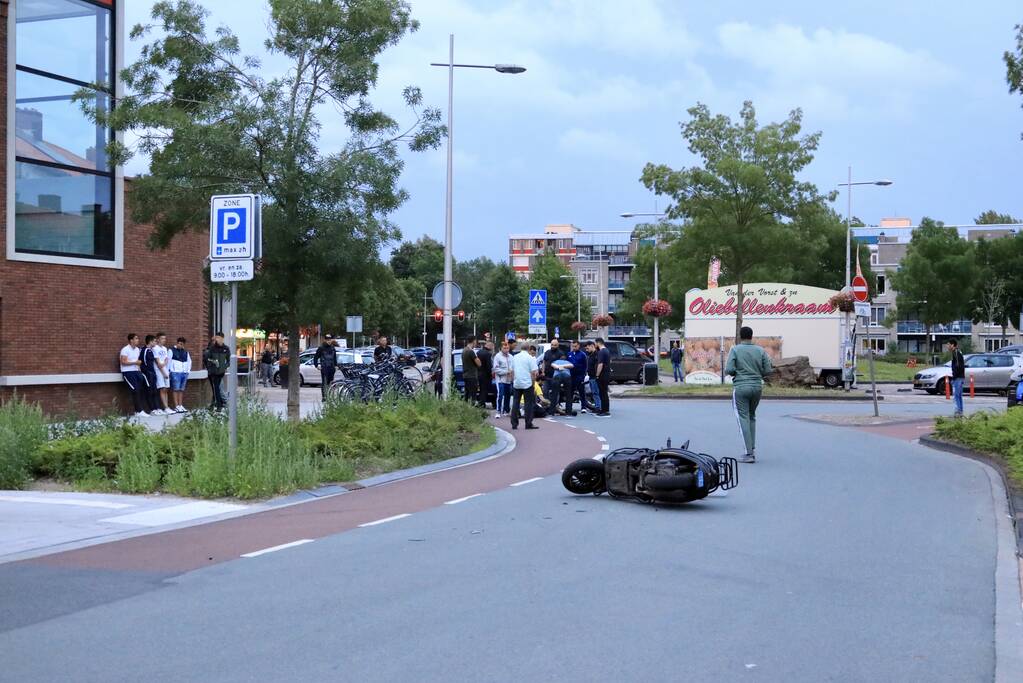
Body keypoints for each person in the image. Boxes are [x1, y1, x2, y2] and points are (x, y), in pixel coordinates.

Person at [725, 326, 773, 463]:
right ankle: (752, 448)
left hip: (741, 387)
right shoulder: (760, 350)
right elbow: (768, 370)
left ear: (740, 336)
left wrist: (736, 372)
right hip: (757, 387)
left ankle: (748, 453)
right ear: (752, 336)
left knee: (743, 418)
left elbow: (729, 369)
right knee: (752, 416)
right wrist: (758, 373)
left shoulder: (735, 349)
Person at [510, 343, 538, 430]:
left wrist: (513, 381)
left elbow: (511, 371)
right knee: (528, 404)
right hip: (527, 383)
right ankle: (528, 423)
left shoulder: (515, 357)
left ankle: (514, 424)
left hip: (517, 383)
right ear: (529, 348)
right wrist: (533, 384)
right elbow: (534, 373)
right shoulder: (530, 358)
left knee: (515, 403)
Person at [120, 333, 148, 417]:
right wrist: (135, 362)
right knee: (135, 390)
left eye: (138, 338)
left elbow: (138, 362)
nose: (138, 340)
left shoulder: (137, 350)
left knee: (140, 390)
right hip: (128, 372)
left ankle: (139, 411)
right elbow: (123, 362)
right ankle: (139, 411)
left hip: (137, 372)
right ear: (131, 340)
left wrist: (139, 371)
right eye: (136, 338)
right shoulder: (125, 349)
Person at [204, 332, 229, 410]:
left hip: (221, 372)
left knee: (217, 388)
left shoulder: (226, 348)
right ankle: (218, 405)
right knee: (216, 388)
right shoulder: (212, 348)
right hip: (214, 372)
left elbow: (229, 360)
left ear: (222, 338)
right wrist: (212, 365)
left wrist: (224, 367)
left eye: (218, 338)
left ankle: (218, 404)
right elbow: (207, 359)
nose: (216, 339)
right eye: (216, 338)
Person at [567, 340, 592, 412]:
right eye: (573, 346)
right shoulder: (569, 354)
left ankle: (583, 407)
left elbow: (585, 365)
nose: (574, 348)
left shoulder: (582, 354)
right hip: (571, 376)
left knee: (581, 392)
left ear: (578, 346)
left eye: (575, 346)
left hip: (579, 376)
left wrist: (583, 375)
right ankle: (569, 407)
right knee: (570, 392)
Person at [169, 337, 192, 413]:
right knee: (176, 389)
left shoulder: (185, 352)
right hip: (175, 372)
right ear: (177, 343)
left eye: (182, 344)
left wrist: (187, 371)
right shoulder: (171, 350)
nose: (180, 345)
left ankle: (180, 405)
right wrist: (170, 371)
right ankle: (176, 406)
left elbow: (189, 362)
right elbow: (168, 361)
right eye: (179, 343)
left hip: (184, 373)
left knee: (181, 390)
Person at [140, 335, 161, 415]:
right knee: (149, 391)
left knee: (154, 391)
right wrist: (147, 372)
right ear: (150, 341)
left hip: (152, 373)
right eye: (155, 341)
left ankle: (157, 408)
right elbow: (142, 363)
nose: (156, 342)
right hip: (147, 374)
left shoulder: (151, 350)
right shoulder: (144, 350)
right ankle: (152, 409)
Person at [314, 334, 338, 401]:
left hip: (331, 367)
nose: (329, 341)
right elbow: (315, 357)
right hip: (324, 367)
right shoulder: (321, 348)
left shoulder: (333, 348)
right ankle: (324, 397)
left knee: (330, 383)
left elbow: (334, 358)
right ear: (325, 340)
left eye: (330, 340)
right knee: (324, 382)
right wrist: (316, 365)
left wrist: (336, 365)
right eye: (327, 340)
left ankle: (329, 396)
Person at [492, 340, 514, 417]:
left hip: (508, 380)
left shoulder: (511, 357)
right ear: (501, 348)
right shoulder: (497, 356)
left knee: (508, 395)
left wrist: (512, 372)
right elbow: (495, 369)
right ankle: (498, 411)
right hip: (500, 379)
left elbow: (513, 367)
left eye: (507, 348)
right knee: (500, 394)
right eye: (504, 348)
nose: (506, 349)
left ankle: (506, 410)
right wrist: (506, 372)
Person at [152, 332, 172, 413]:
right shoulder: (155, 348)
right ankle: (165, 407)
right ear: (158, 339)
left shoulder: (164, 348)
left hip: (165, 371)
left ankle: (167, 407)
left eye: (165, 338)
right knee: (162, 389)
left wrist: (164, 367)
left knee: (166, 389)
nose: (164, 340)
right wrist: (164, 372)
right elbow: (158, 363)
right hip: (159, 371)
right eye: (162, 338)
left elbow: (166, 359)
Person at [594, 338, 611, 417]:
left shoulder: (601, 352)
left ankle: (605, 410)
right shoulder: (607, 351)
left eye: (595, 343)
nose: (595, 345)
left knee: (602, 393)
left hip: (602, 375)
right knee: (604, 392)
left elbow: (600, 364)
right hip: (607, 374)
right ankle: (604, 409)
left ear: (598, 343)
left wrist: (597, 375)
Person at [461, 336, 481, 404]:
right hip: (472, 375)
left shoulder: (464, 350)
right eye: (475, 341)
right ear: (473, 341)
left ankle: (466, 408)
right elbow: (479, 363)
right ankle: (472, 407)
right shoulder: (471, 351)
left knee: (467, 394)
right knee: (473, 394)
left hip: (466, 375)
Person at [949, 338, 965, 417]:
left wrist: (954, 377)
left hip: (958, 377)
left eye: (948, 344)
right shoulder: (958, 352)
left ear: (952, 345)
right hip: (960, 377)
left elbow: (958, 366)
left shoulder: (956, 353)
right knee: (959, 395)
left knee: (956, 395)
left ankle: (958, 411)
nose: (947, 346)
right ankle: (960, 410)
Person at [585, 340, 602, 414]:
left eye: (587, 348)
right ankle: (597, 406)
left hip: (594, 377)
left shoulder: (596, 355)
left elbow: (598, 365)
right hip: (591, 376)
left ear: (592, 346)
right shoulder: (591, 355)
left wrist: (597, 375)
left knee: (595, 392)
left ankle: (598, 407)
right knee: (594, 392)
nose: (586, 350)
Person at [477, 340, 494, 409]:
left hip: (479, 373)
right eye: (492, 347)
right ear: (489, 346)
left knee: (481, 389)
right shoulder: (488, 354)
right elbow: (488, 366)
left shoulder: (478, 352)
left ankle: (481, 402)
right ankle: (482, 403)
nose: (493, 348)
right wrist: (490, 374)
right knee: (484, 390)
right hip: (485, 375)